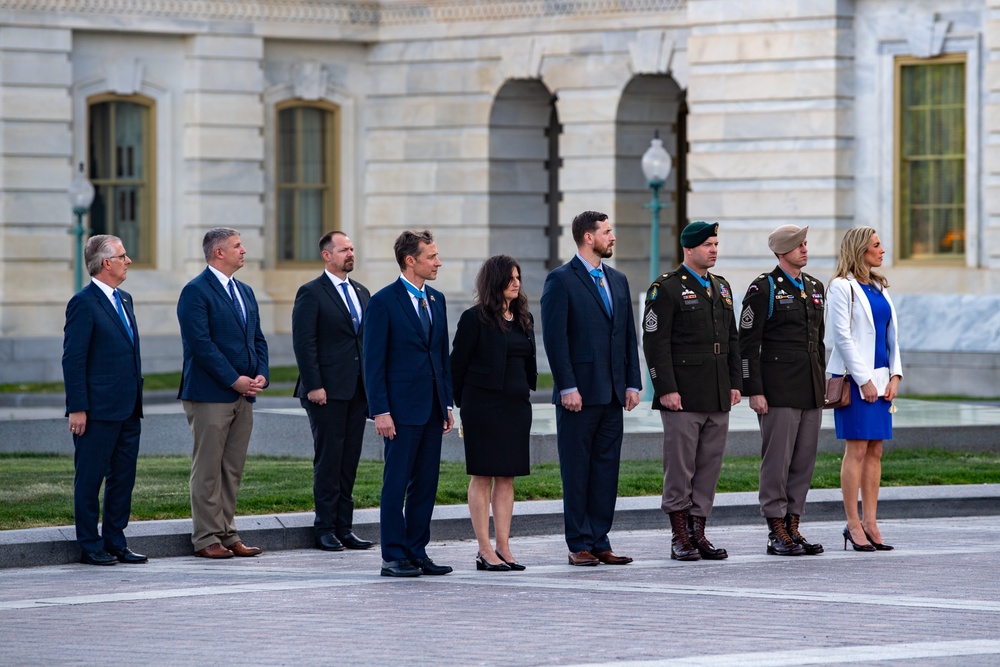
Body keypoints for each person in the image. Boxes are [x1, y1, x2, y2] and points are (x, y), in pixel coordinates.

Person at [540, 210, 642, 567]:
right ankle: (579, 543)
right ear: (588, 237)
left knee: (605, 470)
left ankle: (600, 540)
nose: (612, 237)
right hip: (578, 397)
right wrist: (567, 386)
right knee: (577, 470)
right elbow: (555, 340)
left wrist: (632, 382)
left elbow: (627, 334)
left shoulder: (618, 279)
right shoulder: (560, 280)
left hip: (613, 393)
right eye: (607, 232)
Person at [642, 221, 741, 562]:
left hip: (716, 392)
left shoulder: (722, 287)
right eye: (707, 245)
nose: (714, 249)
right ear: (688, 249)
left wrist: (735, 382)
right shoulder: (666, 288)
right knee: (680, 467)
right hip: (683, 394)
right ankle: (679, 535)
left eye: (716, 243)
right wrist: (665, 388)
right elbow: (655, 344)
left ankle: (699, 532)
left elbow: (731, 340)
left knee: (709, 466)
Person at [364, 230, 455, 577]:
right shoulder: (384, 301)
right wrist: (381, 411)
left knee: (426, 484)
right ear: (410, 260)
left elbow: (440, 356)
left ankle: (417, 551)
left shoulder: (437, 299)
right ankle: (393, 555)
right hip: (399, 412)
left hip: (432, 408)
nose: (438, 262)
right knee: (397, 482)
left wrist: (446, 403)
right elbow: (373, 362)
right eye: (431, 256)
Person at [177, 227, 269, 559]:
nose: (243, 251)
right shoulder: (195, 292)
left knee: (231, 468)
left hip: (243, 395)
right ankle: (206, 538)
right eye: (237, 246)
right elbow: (201, 345)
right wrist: (234, 380)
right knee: (208, 468)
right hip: (210, 394)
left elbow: (257, 339)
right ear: (219, 252)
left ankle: (228, 534)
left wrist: (261, 375)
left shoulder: (244, 291)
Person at [739, 224, 826, 557]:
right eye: (797, 245)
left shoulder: (815, 287)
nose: (805, 249)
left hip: (809, 388)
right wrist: (754, 390)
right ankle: (775, 528)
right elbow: (747, 344)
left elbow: (817, 343)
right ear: (781, 252)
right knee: (777, 461)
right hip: (778, 389)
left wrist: (821, 384)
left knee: (803, 460)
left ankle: (793, 525)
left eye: (805, 244)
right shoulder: (765, 288)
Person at [62, 235, 146, 566]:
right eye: (123, 256)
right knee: (90, 478)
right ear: (106, 263)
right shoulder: (83, 302)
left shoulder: (124, 299)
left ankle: (115, 540)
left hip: (128, 407)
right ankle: (90, 544)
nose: (128, 261)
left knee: (123, 477)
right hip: (96, 410)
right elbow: (73, 359)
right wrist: (77, 407)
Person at [451, 255, 537, 572]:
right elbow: (456, 366)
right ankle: (484, 549)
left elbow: (528, 362)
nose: (516, 282)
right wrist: (460, 406)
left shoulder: (524, 318)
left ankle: (504, 546)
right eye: (510, 277)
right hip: (482, 408)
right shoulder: (473, 319)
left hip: (516, 407)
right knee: (483, 474)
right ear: (495, 281)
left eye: (518, 277)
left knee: (507, 476)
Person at [292, 231, 373, 552]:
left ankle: (344, 527)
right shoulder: (311, 293)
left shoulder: (362, 292)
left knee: (349, 459)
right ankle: (324, 527)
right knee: (329, 460)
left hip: (357, 390)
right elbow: (304, 342)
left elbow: (366, 342)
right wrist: (314, 385)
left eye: (352, 249)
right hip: (325, 392)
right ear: (327, 255)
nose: (350, 254)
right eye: (344, 250)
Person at [826, 226, 902, 552]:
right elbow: (841, 337)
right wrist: (863, 380)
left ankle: (871, 521)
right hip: (855, 380)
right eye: (876, 245)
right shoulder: (842, 287)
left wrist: (896, 375)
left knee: (876, 450)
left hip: (882, 379)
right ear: (860, 250)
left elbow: (891, 336)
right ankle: (853, 523)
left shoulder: (879, 288)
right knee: (856, 449)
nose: (882, 250)